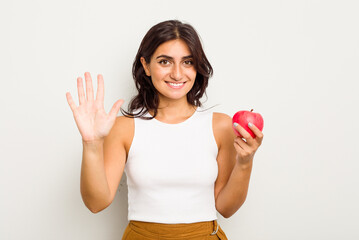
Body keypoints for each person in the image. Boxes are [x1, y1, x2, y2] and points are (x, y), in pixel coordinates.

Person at [66, 20, 264, 240]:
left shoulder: (221, 125)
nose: (177, 74)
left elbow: (227, 208)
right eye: (165, 62)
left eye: (187, 62)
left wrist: (245, 163)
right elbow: (96, 203)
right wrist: (91, 144)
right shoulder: (124, 127)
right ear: (146, 65)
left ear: (197, 67)